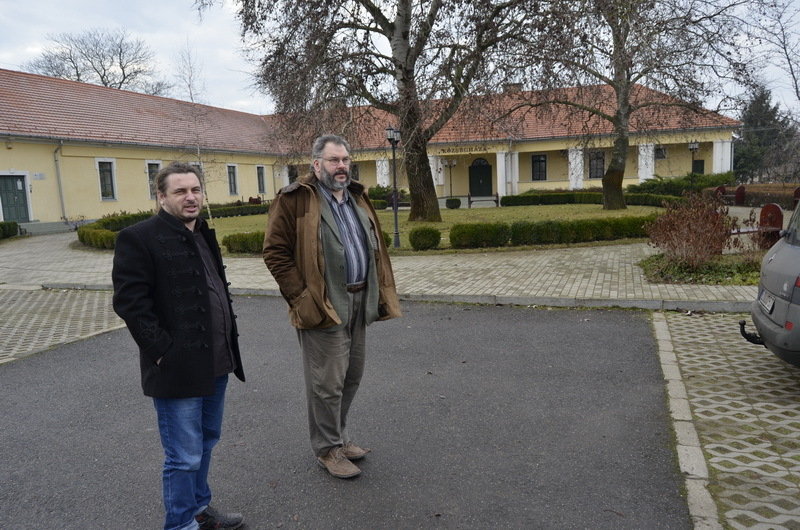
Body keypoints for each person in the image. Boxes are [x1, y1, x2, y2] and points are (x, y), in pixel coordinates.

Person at [112, 162, 246, 530]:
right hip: (176, 369)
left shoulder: (203, 232)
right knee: (183, 456)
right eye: (180, 191)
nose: (191, 197)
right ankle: (180, 524)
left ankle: (199, 510)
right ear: (161, 196)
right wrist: (162, 353)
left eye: (195, 190)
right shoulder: (139, 238)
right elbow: (130, 304)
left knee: (206, 443)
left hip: (216, 362)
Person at [263, 134, 401, 479]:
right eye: (334, 160)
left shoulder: (355, 196)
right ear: (316, 165)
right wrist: (301, 297)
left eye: (345, 160)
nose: (342, 166)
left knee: (351, 376)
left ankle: (339, 438)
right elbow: (275, 252)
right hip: (323, 303)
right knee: (327, 382)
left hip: (360, 299)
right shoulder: (296, 200)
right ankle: (327, 450)